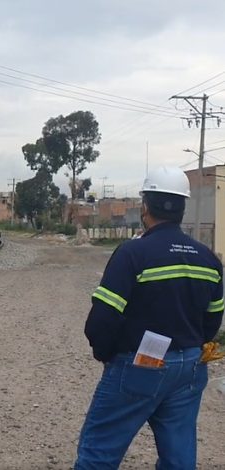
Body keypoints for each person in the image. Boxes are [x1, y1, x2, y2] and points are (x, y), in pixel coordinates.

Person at [75, 166, 224, 469]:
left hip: (141, 365)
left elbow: (102, 319)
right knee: (179, 458)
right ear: (183, 207)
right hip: (189, 369)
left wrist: (106, 353)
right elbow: (213, 320)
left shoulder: (133, 253)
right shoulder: (209, 258)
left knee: (99, 453)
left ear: (145, 207)